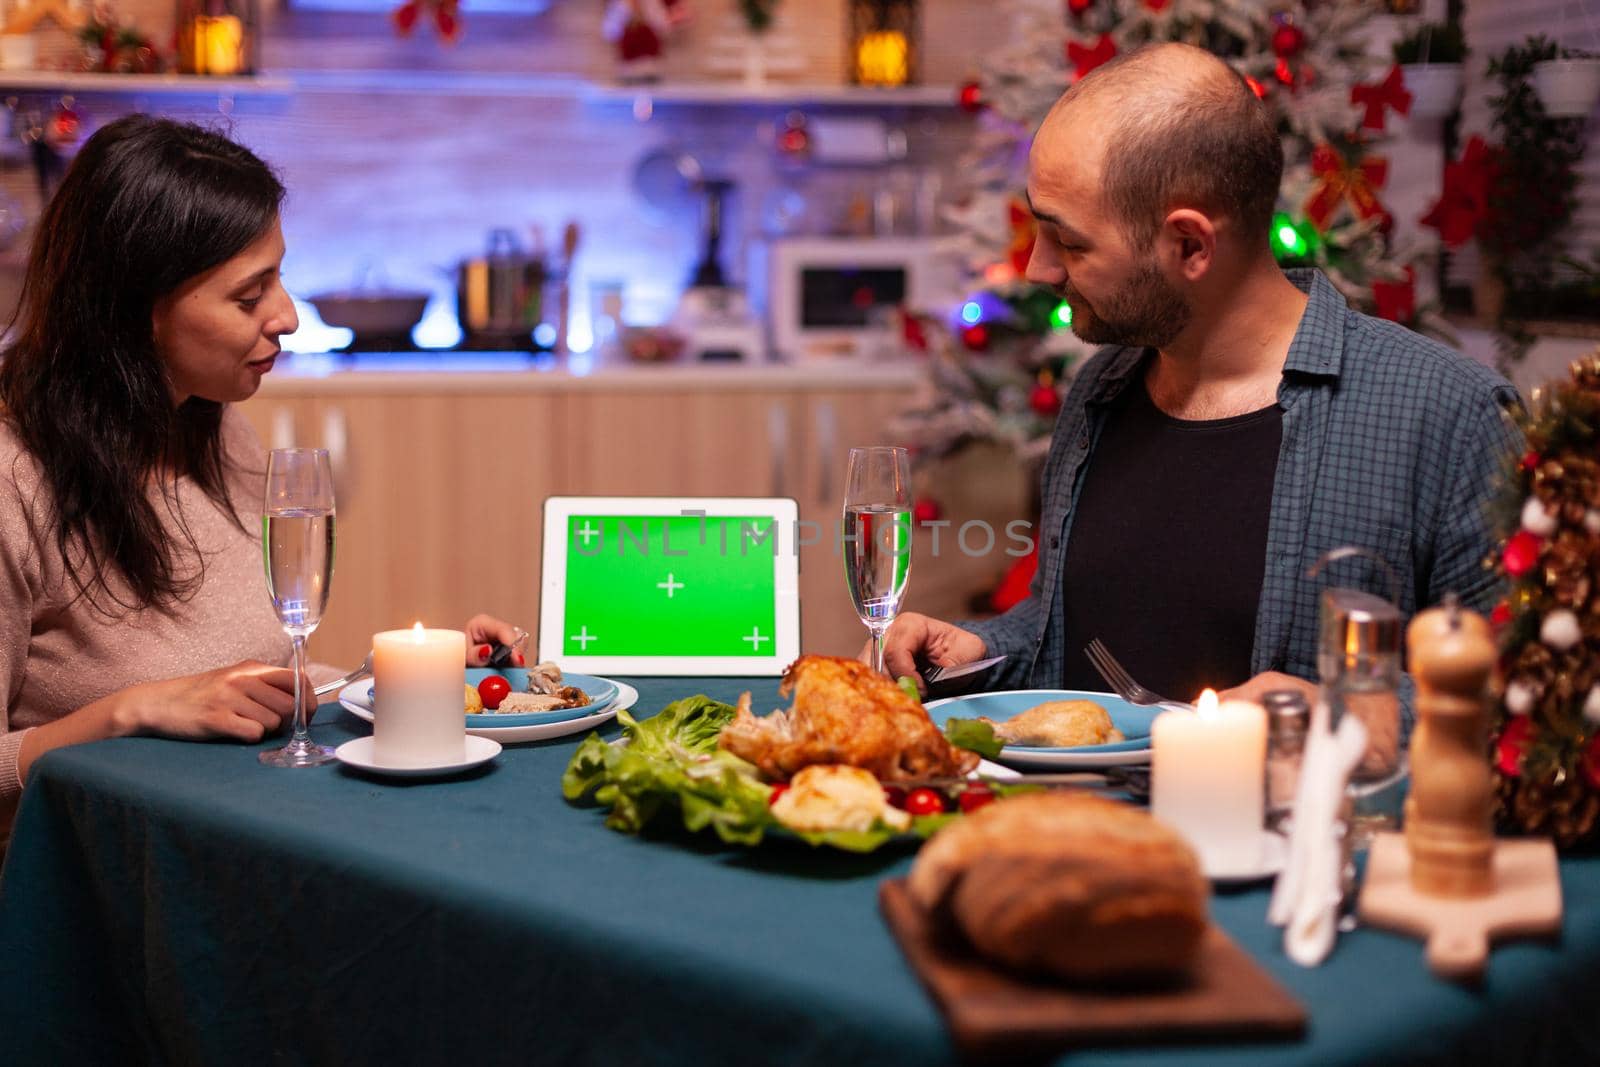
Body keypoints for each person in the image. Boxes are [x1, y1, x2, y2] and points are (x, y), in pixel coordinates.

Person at [879, 43, 1521, 711]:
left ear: (1189, 245)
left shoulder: (1450, 417)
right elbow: (1067, 629)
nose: (1038, 268)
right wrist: (985, 650)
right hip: (1081, 818)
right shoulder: (1101, 393)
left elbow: (1516, 701)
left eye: (1069, 241)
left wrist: (1328, 717)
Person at [0, 116, 519, 841]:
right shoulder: (13, 476)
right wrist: (129, 712)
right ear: (136, 310)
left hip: (240, 843)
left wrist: (408, 672)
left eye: (280, 276)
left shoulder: (213, 428)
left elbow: (247, 690)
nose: (287, 318)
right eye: (250, 296)